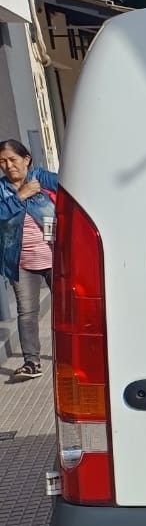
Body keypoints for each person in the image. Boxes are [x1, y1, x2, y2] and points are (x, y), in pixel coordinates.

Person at [0, 140, 58, 380]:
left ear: (27, 159)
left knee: (70, 308)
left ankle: (83, 354)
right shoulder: (2, 189)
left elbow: (73, 188)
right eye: (2, 162)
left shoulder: (41, 178)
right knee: (27, 312)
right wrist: (22, 195)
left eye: (13, 159)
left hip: (56, 257)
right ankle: (32, 363)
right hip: (22, 262)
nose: (8, 165)